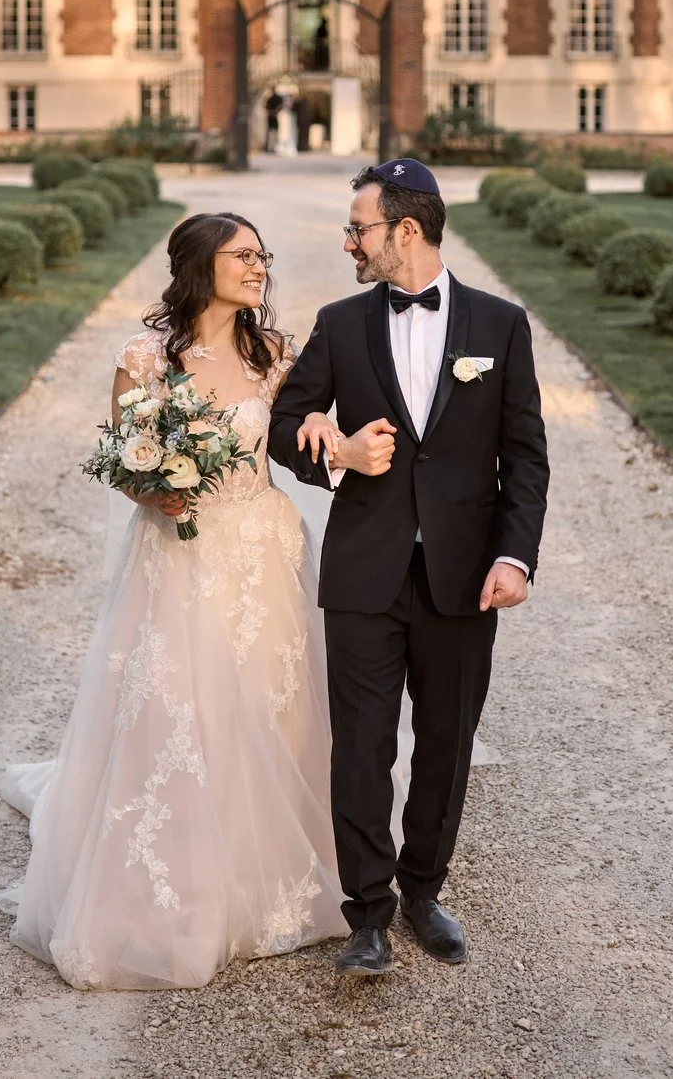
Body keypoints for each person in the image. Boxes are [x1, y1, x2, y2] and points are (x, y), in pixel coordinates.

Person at [0, 213, 345, 989]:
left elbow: (303, 430)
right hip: (177, 556)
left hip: (262, 546)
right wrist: (157, 489)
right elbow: (123, 461)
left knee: (269, 706)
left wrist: (330, 430)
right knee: (175, 707)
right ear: (200, 265)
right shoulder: (143, 357)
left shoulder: (276, 355)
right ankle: (180, 874)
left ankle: (266, 865)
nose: (260, 266)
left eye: (264, 254)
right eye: (244, 255)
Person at [268, 158, 548, 977]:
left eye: (358, 228)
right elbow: (285, 424)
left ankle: (424, 890)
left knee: (446, 742)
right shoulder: (341, 322)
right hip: (364, 570)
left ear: (407, 231)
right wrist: (340, 452)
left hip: (465, 577)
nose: (348, 242)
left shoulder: (501, 326)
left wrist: (514, 554)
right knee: (359, 746)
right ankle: (369, 914)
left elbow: (525, 456)